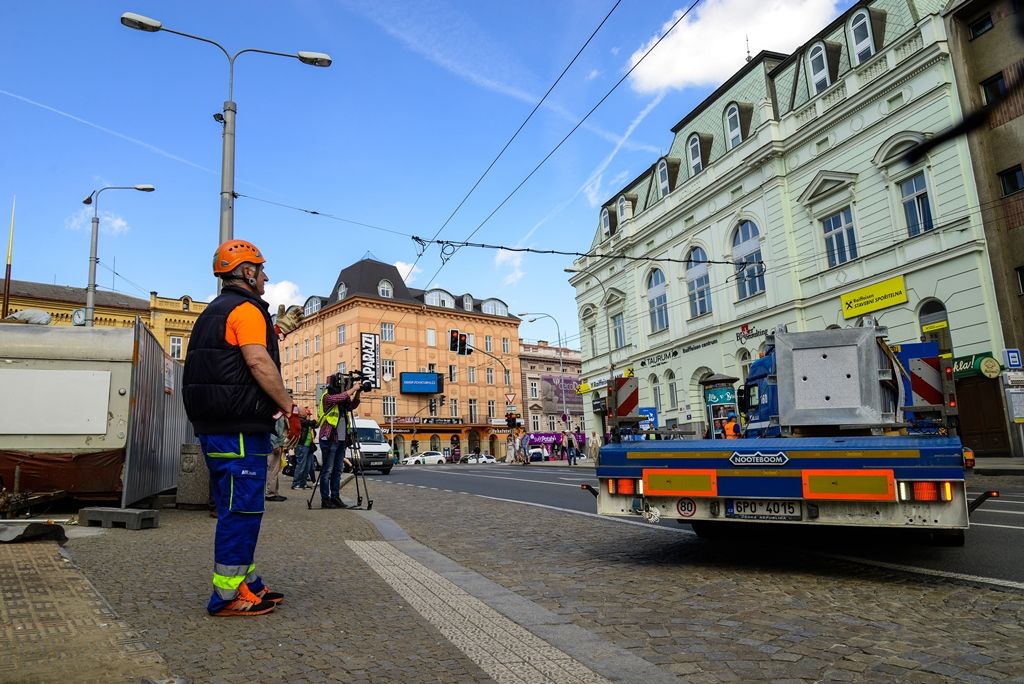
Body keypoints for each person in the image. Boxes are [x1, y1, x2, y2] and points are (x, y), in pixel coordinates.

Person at [182, 239, 296, 617]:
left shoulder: (218, 311)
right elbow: (259, 363)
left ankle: (247, 583)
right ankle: (227, 597)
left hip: (219, 424)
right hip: (238, 428)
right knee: (241, 510)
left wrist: (275, 329)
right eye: (261, 270)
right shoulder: (245, 309)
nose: (266, 276)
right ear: (247, 273)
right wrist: (288, 407)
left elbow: (229, 360)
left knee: (237, 506)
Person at [317, 374, 363, 509]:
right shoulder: (327, 396)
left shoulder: (343, 399)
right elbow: (339, 397)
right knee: (327, 470)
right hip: (329, 438)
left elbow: (352, 405)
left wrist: (358, 393)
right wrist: (353, 388)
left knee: (337, 470)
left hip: (341, 440)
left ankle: (335, 497)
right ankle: (325, 499)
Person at [290, 408, 317, 490]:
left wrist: (313, 421)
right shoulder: (299, 420)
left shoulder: (305, 420)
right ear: (300, 413)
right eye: (304, 411)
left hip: (308, 446)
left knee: (307, 466)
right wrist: (314, 421)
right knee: (301, 465)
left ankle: (303, 483)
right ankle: (296, 484)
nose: (306, 412)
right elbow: (311, 423)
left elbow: (315, 425)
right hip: (302, 445)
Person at [266, 407, 289, 502]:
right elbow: (274, 430)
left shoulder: (278, 413)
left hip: (276, 444)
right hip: (274, 445)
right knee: (272, 470)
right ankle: (271, 493)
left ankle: (274, 492)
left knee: (275, 470)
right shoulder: (277, 414)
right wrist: (275, 444)